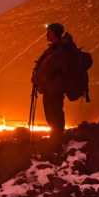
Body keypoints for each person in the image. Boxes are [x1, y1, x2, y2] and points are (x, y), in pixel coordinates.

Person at [31, 23, 69, 151]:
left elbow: (48, 71)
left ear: (55, 33)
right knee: (54, 116)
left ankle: (56, 145)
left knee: (54, 116)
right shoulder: (58, 49)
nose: (47, 34)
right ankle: (55, 142)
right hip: (53, 89)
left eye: (49, 32)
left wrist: (36, 79)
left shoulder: (58, 51)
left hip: (53, 90)